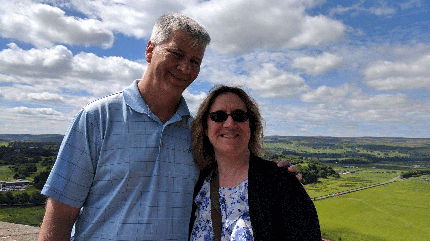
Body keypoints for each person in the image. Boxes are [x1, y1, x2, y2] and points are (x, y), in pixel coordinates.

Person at [37, 13, 296, 241]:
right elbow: (60, 214)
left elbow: (231, 176)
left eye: (195, 61)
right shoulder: (98, 118)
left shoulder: (198, 132)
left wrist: (275, 178)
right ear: (150, 50)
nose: (185, 68)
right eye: (177, 54)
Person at [189, 85, 321, 240]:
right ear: (205, 127)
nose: (230, 124)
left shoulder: (280, 182)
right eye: (218, 116)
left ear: (251, 126)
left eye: (239, 115)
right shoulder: (197, 182)